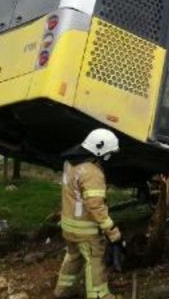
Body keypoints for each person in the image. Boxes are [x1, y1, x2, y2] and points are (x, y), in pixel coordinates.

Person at [54, 128, 123, 299]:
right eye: (108, 153)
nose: (109, 157)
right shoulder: (92, 172)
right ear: (100, 150)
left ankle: (62, 291)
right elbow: (96, 207)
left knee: (73, 257)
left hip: (68, 226)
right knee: (95, 262)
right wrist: (113, 232)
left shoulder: (69, 163)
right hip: (85, 230)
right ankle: (100, 295)